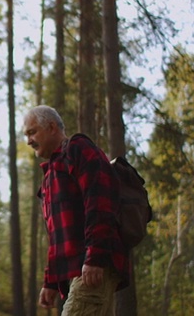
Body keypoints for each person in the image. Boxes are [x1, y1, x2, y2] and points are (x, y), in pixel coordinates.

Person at [23, 105, 129, 315]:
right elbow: (58, 237)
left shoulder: (78, 149)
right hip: (78, 270)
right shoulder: (50, 176)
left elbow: (101, 202)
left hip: (93, 265)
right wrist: (51, 281)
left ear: (52, 127)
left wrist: (95, 257)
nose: (28, 141)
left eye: (32, 132)